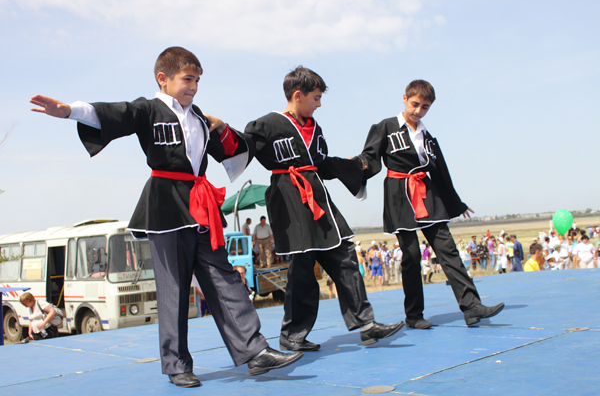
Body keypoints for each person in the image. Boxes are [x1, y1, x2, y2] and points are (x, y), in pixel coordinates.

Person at [29, 47, 302, 388]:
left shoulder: (200, 117)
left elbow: (232, 150)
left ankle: (255, 351)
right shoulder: (149, 110)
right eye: (188, 79)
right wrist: (69, 110)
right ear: (164, 78)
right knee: (173, 287)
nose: (194, 87)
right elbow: (116, 113)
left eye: (198, 80)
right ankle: (176, 364)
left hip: (200, 205)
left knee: (224, 276)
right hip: (164, 205)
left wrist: (226, 128)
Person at [244, 66, 403, 352]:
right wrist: (218, 132)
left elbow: (322, 164)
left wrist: (356, 166)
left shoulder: (315, 129)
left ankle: (366, 325)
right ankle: (292, 334)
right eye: (316, 98)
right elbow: (241, 148)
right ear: (298, 95)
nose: (319, 104)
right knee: (302, 269)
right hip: (290, 199)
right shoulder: (267, 124)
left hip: (319, 201)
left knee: (345, 256)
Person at [359, 79, 504, 329]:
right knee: (412, 255)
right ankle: (414, 315)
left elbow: (441, 172)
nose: (418, 111)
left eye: (425, 107)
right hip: (399, 194)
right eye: (415, 104)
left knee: (447, 249)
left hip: (426, 192)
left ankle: (471, 307)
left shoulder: (428, 137)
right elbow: (370, 158)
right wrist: (355, 167)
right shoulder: (385, 127)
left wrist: (456, 203)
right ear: (404, 98)